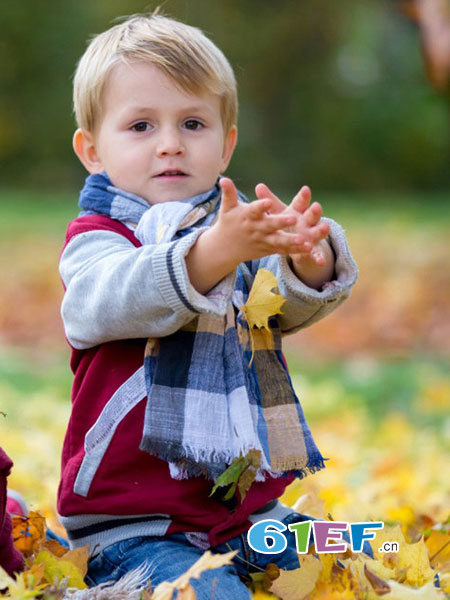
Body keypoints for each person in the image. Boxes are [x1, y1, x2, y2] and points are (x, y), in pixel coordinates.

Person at [58, 12, 366, 599]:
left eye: (193, 123)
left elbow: (279, 309)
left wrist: (309, 259)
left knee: (367, 553)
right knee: (213, 594)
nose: (170, 143)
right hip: (135, 525)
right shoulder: (98, 239)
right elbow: (99, 304)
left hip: (249, 518)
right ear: (93, 149)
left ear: (226, 145)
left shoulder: (238, 228)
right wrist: (208, 255)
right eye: (142, 125)